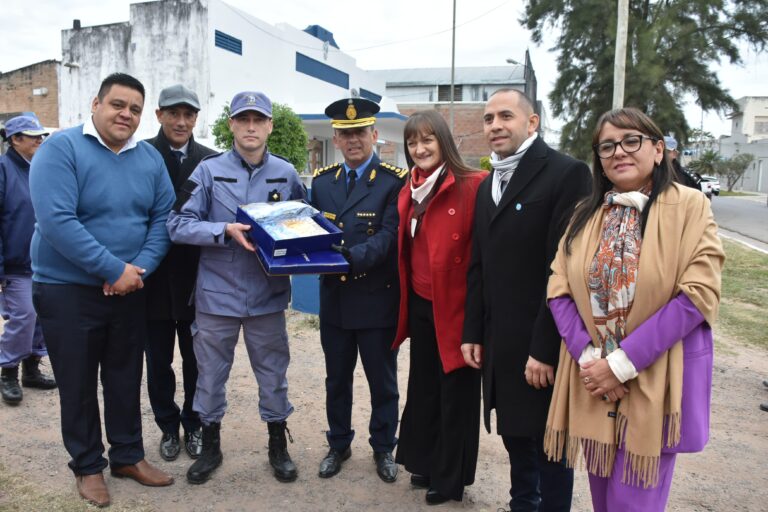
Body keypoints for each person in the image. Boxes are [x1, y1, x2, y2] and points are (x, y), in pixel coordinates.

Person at [544, 107, 725, 512]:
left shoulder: (690, 206)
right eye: (607, 146)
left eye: (631, 141)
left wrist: (623, 363)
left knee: (632, 503)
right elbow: (558, 290)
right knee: (603, 500)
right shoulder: (585, 215)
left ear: (658, 150)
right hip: (594, 380)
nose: (619, 152)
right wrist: (592, 358)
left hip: (654, 377)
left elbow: (698, 292)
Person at [29, 73, 176, 508]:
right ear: (95, 104)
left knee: (124, 376)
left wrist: (137, 269)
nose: (125, 114)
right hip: (67, 289)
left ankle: (128, 455)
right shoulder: (61, 149)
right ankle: (88, 466)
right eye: (117, 105)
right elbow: (57, 222)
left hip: (130, 287)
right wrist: (112, 269)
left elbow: (162, 219)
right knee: (76, 383)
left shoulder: (148, 158)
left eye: (134, 108)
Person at [461, 88, 591, 511]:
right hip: (500, 344)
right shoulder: (488, 185)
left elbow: (566, 272)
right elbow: (478, 266)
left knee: (551, 448)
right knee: (515, 437)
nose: (494, 125)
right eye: (487, 119)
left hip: (541, 345)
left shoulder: (566, 174)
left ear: (531, 122)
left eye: (505, 116)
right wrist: (473, 332)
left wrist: (545, 349)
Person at [167, 91, 306, 485]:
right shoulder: (208, 172)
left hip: (267, 295)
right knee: (210, 376)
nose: (250, 127)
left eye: (258, 120)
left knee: (273, 374)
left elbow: (302, 222)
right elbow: (176, 224)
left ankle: (277, 444)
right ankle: (210, 444)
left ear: (269, 126)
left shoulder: (287, 172)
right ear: (230, 124)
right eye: (242, 119)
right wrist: (221, 231)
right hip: (217, 295)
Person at [391, 110, 486, 505]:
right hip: (421, 304)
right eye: (413, 142)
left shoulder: (473, 184)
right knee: (424, 387)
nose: (419, 149)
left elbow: (482, 256)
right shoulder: (408, 188)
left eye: (428, 140)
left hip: (459, 311)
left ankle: (450, 481)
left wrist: (478, 325)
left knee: (456, 396)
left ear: (443, 141)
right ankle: (425, 462)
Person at [310, 97, 406, 483]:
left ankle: (384, 447)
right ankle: (338, 443)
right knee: (337, 379)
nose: (353, 141)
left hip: (376, 299)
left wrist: (346, 259)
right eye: (346, 134)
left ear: (374, 135)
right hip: (335, 300)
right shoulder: (321, 182)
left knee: (382, 381)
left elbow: (388, 237)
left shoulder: (393, 182)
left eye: (360, 133)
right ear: (336, 137)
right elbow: (311, 233)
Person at [144, 84, 217, 462]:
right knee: (158, 362)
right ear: (159, 115)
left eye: (189, 114)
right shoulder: (140, 155)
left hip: (195, 280)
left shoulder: (211, 161)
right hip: (151, 279)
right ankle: (168, 427)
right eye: (173, 113)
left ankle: (194, 424)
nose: (181, 121)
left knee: (195, 361)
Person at [0, 115, 56, 405]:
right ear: (14, 140)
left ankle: (31, 370)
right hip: (15, 264)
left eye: (40, 135)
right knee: (23, 316)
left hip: (43, 262)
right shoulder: (3, 169)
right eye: (32, 135)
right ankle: (7, 370)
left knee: (41, 316)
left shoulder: (40, 168)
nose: (39, 139)